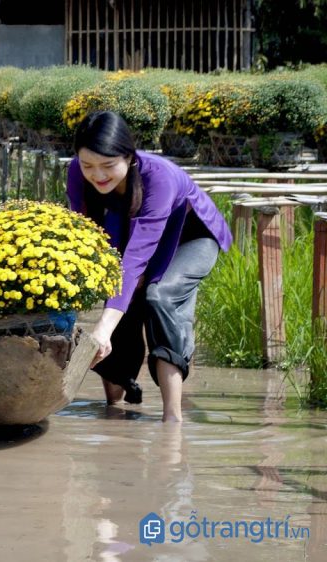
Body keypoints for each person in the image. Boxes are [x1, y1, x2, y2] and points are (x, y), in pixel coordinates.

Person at [66, 111, 233, 422]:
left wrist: (102, 328)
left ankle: (172, 419)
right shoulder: (77, 171)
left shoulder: (160, 176)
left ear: (129, 157)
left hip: (188, 237)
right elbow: (85, 233)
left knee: (159, 297)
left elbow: (138, 256)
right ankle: (113, 411)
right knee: (118, 301)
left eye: (108, 166)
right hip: (129, 233)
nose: (97, 175)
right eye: (88, 165)